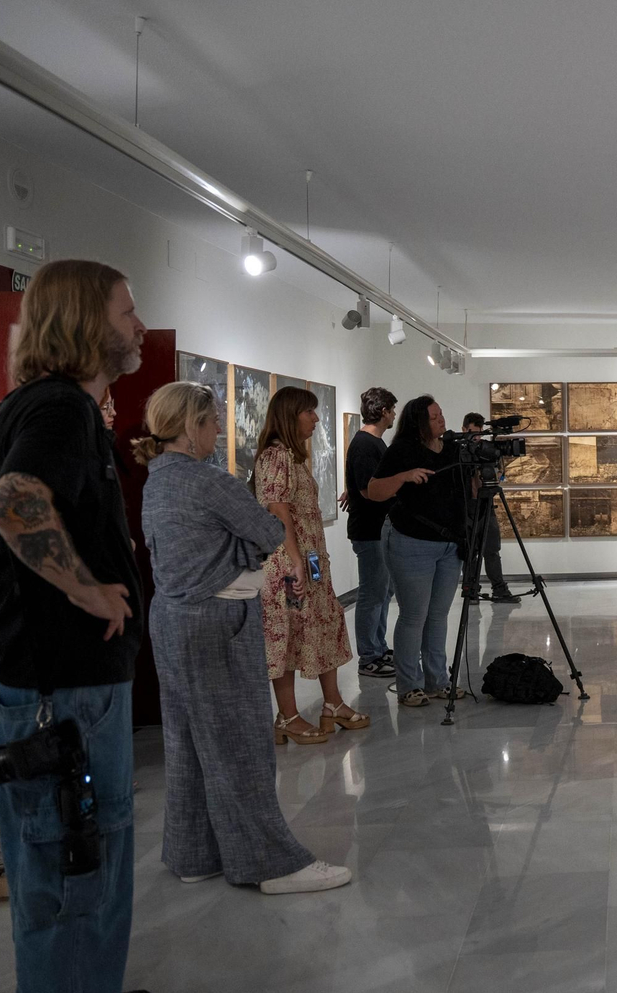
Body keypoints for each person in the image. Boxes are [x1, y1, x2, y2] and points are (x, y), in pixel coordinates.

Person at [0, 260, 145, 992]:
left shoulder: (40, 406)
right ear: (84, 325)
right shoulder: (60, 409)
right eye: (125, 314)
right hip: (66, 694)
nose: (138, 327)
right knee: (75, 880)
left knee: (73, 874)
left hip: (62, 687)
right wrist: (88, 592)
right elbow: (15, 498)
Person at [135, 382, 352, 895]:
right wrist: (242, 542)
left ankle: (194, 852)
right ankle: (269, 863)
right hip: (220, 617)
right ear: (192, 427)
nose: (218, 431)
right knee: (240, 743)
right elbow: (268, 531)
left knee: (186, 740)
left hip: (171, 618)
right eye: (212, 422)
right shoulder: (209, 481)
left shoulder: (157, 480)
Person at [251, 386, 367, 743]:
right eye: (309, 412)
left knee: (321, 624)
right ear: (290, 416)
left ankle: (332, 703)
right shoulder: (275, 457)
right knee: (285, 636)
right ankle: (287, 717)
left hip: (309, 562)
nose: (316, 419)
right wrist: (297, 563)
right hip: (289, 566)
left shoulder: (293, 456)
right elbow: (277, 510)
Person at [366, 395, 466, 708]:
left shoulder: (451, 448)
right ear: (419, 421)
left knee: (438, 616)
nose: (441, 420)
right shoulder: (403, 450)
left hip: (448, 545)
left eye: (441, 414)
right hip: (411, 542)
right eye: (434, 416)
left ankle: (438, 680)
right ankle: (409, 684)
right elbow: (374, 491)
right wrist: (404, 476)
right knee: (414, 616)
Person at [344, 387, 399, 678]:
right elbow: (368, 490)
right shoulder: (366, 444)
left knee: (382, 590)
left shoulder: (373, 443)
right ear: (382, 411)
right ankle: (369, 656)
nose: (394, 414)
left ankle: (377, 647)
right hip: (370, 530)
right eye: (391, 409)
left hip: (378, 529)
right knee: (372, 593)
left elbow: (364, 484)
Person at [460, 412, 520, 605]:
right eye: (472, 433)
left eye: (478, 433)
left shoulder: (486, 451)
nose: (476, 437)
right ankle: (471, 591)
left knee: (492, 550)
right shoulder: (459, 453)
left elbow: (499, 473)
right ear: (464, 430)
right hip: (467, 507)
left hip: (486, 505)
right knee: (470, 552)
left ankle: (499, 590)